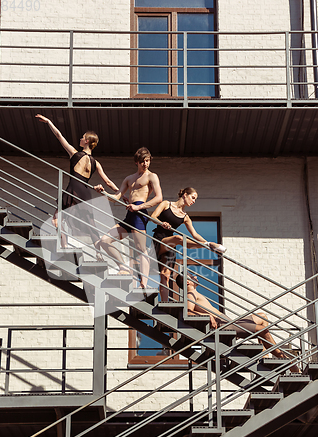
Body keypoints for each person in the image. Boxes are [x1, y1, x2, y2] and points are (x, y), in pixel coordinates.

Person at [176, 273, 300, 373]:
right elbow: (188, 312)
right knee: (263, 330)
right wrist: (208, 316)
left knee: (262, 317)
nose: (196, 276)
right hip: (225, 326)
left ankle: (264, 353)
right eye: (192, 276)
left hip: (229, 322)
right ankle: (286, 361)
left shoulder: (195, 293)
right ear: (187, 282)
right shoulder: (190, 294)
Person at [35, 114, 119, 247]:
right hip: (85, 192)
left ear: (86, 141)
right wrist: (121, 193)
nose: (80, 138)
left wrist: (49, 122)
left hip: (72, 189)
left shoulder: (75, 153)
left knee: (57, 220)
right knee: (90, 224)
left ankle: (64, 246)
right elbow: (108, 182)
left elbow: (59, 136)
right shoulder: (96, 163)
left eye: (82, 137)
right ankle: (99, 252)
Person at [95, 147, 163, 289]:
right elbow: (116, 198)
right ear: (137, 162)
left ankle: (143, 283)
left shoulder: (152, 176)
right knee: (105, 240)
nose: (145, 164)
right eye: (143, 161)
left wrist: (139, 207)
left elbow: (159, 198)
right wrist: (103, 193)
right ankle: (123, 267)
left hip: (140, 212)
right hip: (129, 214)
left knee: (141, 249)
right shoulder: (129, 178)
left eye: (147, 161)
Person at [150, 187, 226, 302]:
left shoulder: (185, 217)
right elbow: (152, 217)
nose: (194, 201)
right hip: (160, 239)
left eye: (195, 199)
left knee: (165, 275)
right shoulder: (166, 204)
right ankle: (208, 244)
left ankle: (165, 303)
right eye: (193, 197)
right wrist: (162, 223)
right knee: (178, 238)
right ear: (185, 195)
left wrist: (204, 241)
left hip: (171, 246)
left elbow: (195, 234)